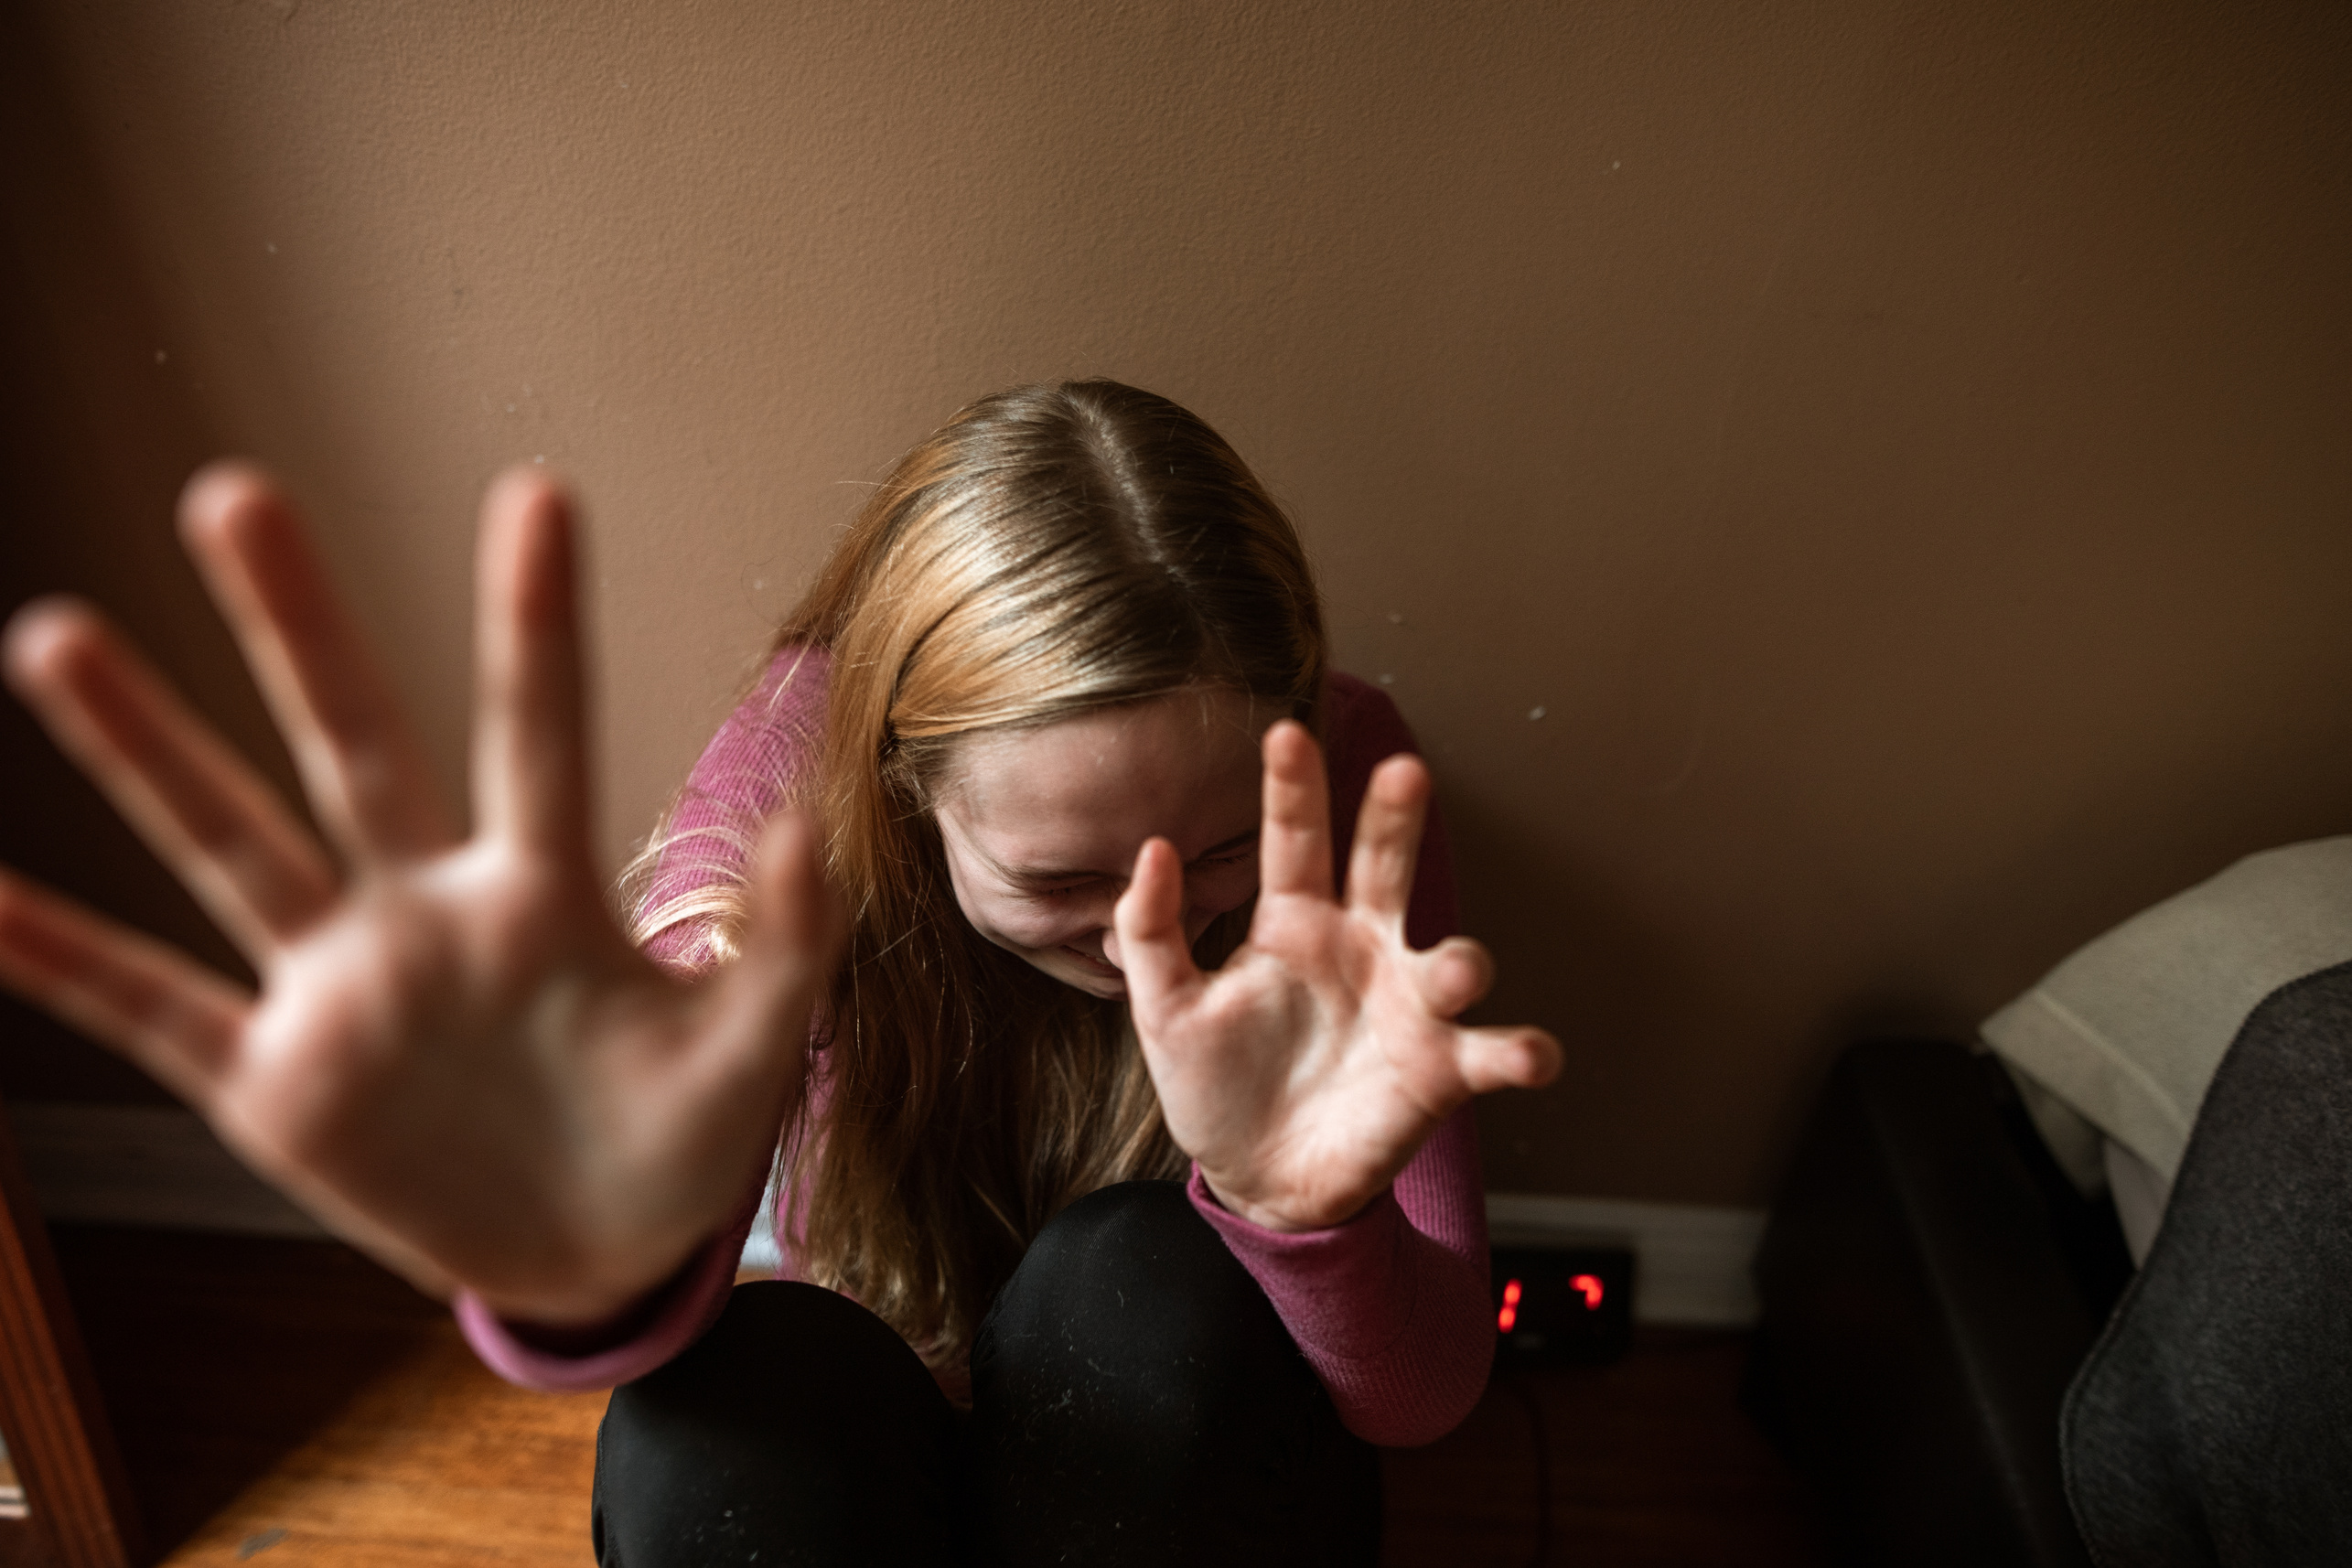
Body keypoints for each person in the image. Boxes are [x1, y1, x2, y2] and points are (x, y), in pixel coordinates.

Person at [0, 380, 1562, 1564]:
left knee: (1142, 1284)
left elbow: (1420, 1397)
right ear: (904, 789)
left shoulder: (1347, 783)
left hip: (1165, 1450)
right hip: (863, 1392)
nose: (1148, 921)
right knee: (714, 1422)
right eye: (1061, 876)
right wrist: (596, 1253)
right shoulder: (795, 793)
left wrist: (1313, 1213)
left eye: (1217, 855)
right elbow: (647, 1289)